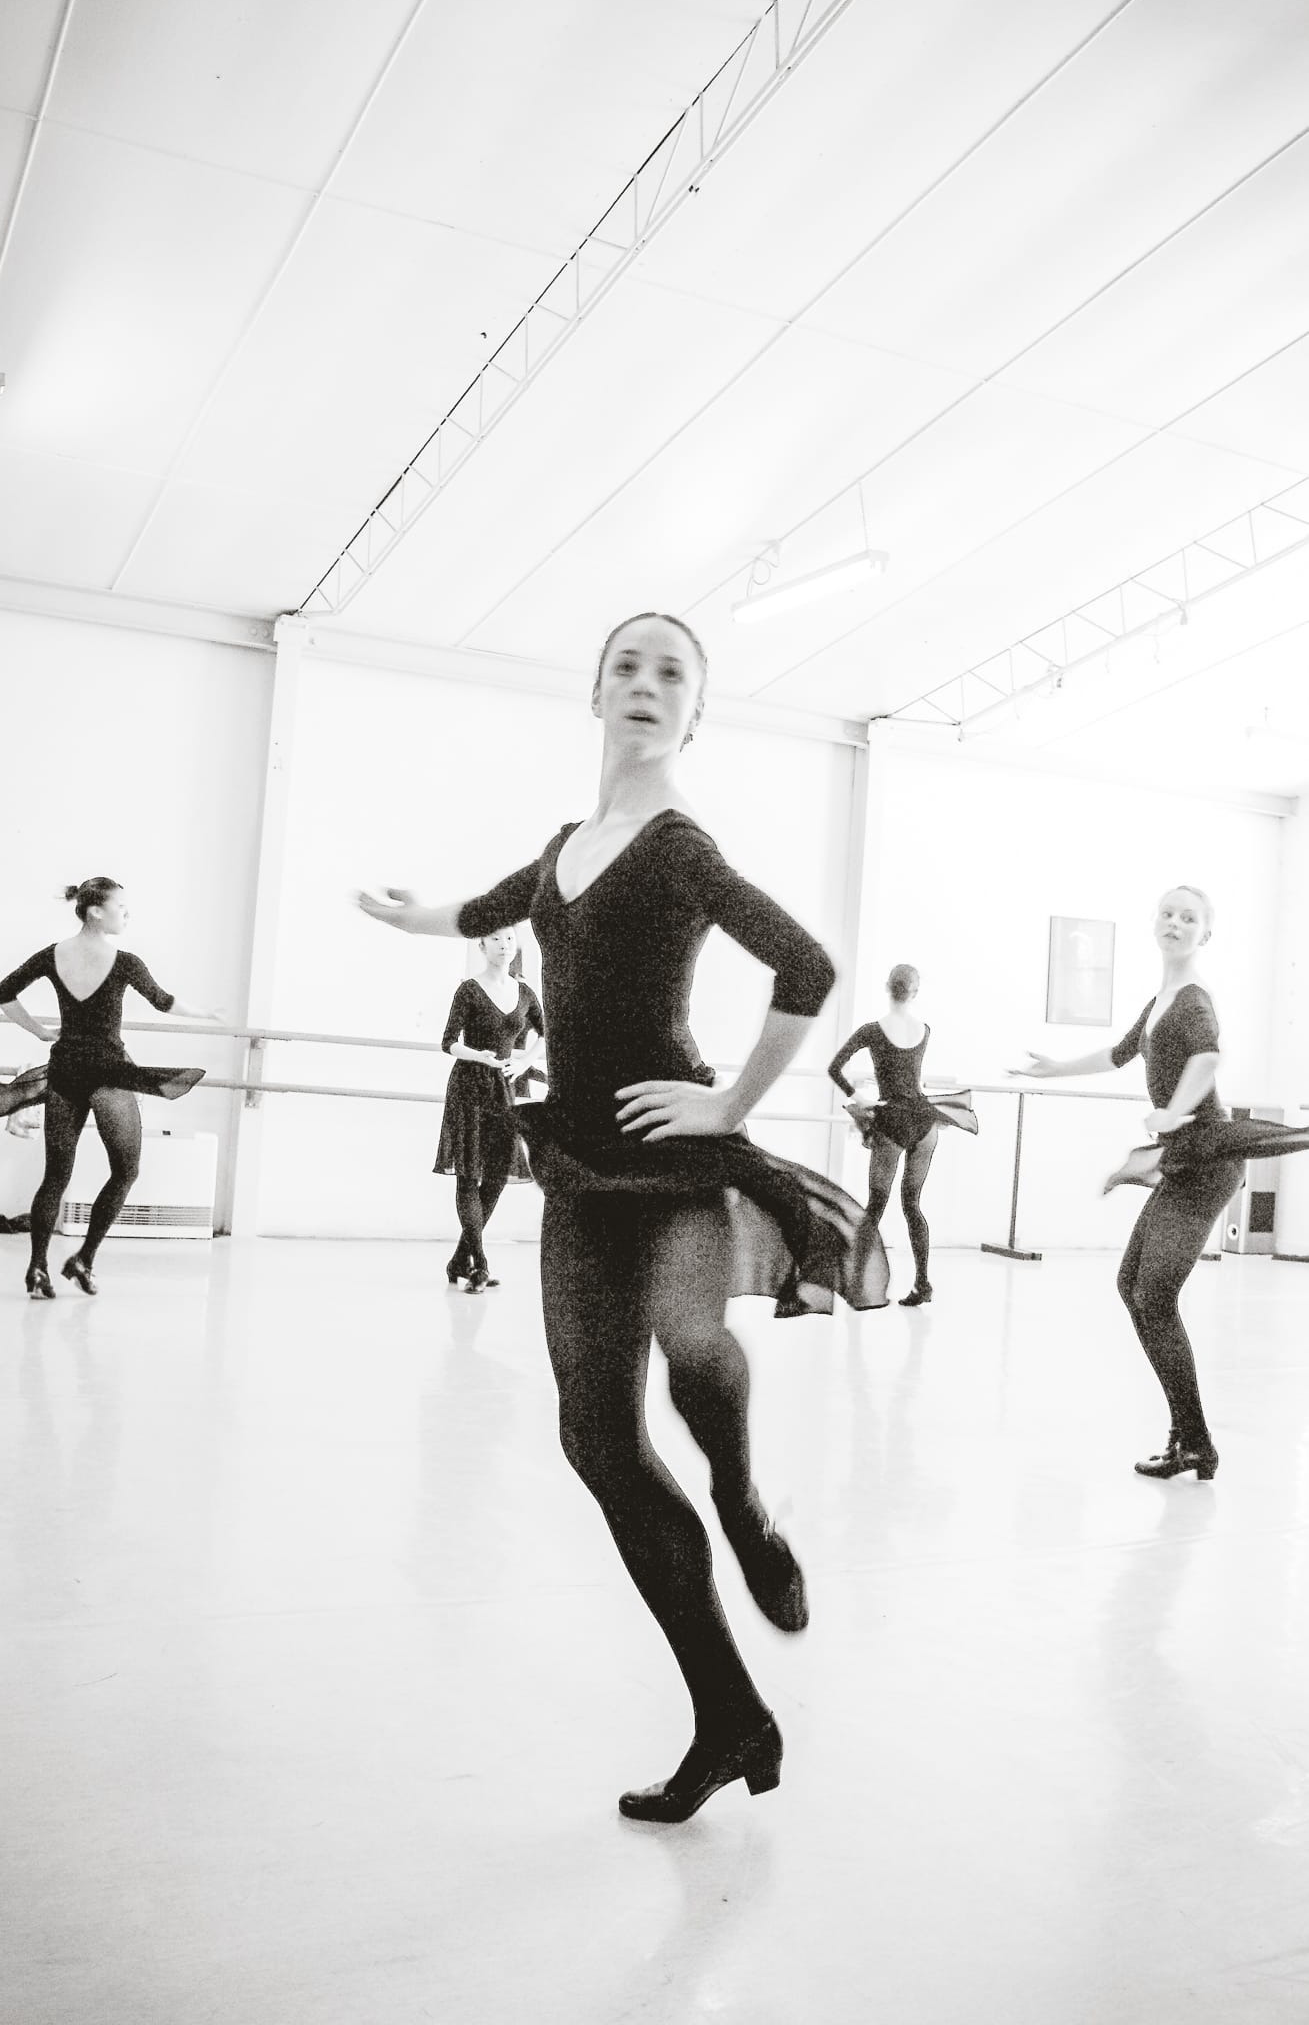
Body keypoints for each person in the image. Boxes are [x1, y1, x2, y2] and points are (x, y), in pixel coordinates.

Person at [358, 610, 888, 1824]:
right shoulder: (565, 848)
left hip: (673, 1155)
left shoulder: (679, 846)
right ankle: (731, 1716)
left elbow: (806, 965)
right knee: (595, 1438)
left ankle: (741, 1496)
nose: (646, 684)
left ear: (695, 713)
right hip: (581, 1166)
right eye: (627, 667)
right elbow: (487, 908)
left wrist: (730, 1101)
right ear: (595, 693)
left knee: (694, 1346)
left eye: (672, 673)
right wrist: (412, 915)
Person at [1010, 884, 1309, 1481]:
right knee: (1133, 1285)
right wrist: (1056, 1068)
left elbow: (1208, 1059)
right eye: (1168, 913)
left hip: (1207, 1162)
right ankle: (1189, 1439)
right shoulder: (1160, 999)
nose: (1175, 922)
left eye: (1188, 917)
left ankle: (1195, 1442)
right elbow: (1119, 1054)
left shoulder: (1193, 999)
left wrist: (1174, 1111)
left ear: (1205, 933)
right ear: (1155, 923)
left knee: (1153, 1295)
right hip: (1185, 1159)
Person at [0, 877, 220, 1300]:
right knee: (126, 1171)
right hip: (108, 1073)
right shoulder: (125, 962)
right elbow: (164, 1001)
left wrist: (40, 1033)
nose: (127, 913)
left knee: (55, 1176)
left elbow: (3, 993)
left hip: (66, 1072)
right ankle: (83, 1259)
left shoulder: (52, 955)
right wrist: (207, 1014)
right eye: (121, 907)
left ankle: (37, 1268)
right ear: (96, 911)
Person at [828, 963, 977, 1307]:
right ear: (915, 992)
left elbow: (835, 1068)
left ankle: (858, 1285)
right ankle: (923, 1284)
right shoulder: (925, 1030)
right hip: (924, 1121)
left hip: (893, 1121)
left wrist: (859, 1097)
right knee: (912, 1205)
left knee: (875, 1207)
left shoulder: (871, 1031)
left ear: (887, 987)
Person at [435, 926, 544, 1290]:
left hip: (502, 1090)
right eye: (495, 939)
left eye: (509, 939)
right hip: (468, 1086)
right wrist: (477, 1055)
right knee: (469, 1174)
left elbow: (548, 1033)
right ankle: (479, 1264)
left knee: (496, 1176)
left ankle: (458, 1260)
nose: (503, 945)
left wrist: (524, 1062)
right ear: (482, 945)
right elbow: (448, 1042)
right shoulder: (469, 989)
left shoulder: (525, 993)